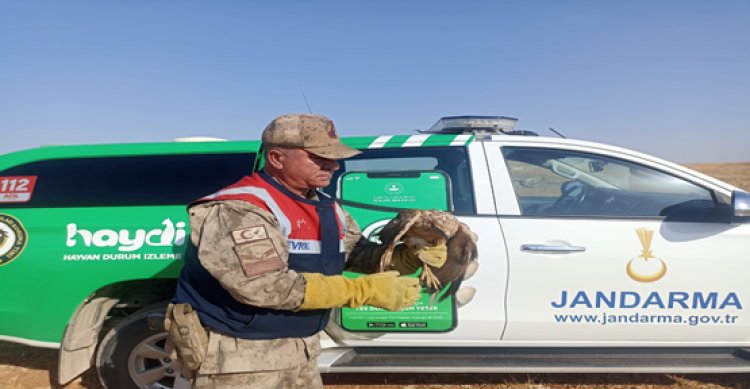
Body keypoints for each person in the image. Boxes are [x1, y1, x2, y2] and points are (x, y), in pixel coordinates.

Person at [170, 113, 443, 388]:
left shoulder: (327, 206)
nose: (334, 165)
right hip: (237, 357)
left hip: (301, 351)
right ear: (276, 158)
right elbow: (264, 286)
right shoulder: (240, 209)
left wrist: (407, 257)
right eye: (319, 157)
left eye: (334, 156)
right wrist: (361, 291)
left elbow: (356, 254)